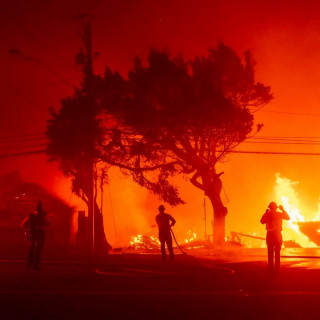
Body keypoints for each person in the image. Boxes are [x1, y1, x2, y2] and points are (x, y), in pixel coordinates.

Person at [260, 202, 290, 272]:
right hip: (277, 234)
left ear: (269, 208)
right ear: (276, 208)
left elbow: (262, 221)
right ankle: (277, 268)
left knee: (270, 252)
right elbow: (288, 218)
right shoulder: (279, 214)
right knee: (277, 252)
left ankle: (271, 267)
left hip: (270, 234)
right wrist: (283, 210)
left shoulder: (267, 214)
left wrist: (265, 213)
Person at [22, 202, 49, 270]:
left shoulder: (31, 214)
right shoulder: (41, 215)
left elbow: (23, 224)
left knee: (31, 250)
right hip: (39, 235)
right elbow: (42, 225)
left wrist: (29, 230)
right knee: (37, 251)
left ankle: (28, 265)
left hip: (32, 235)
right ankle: (35, 266)